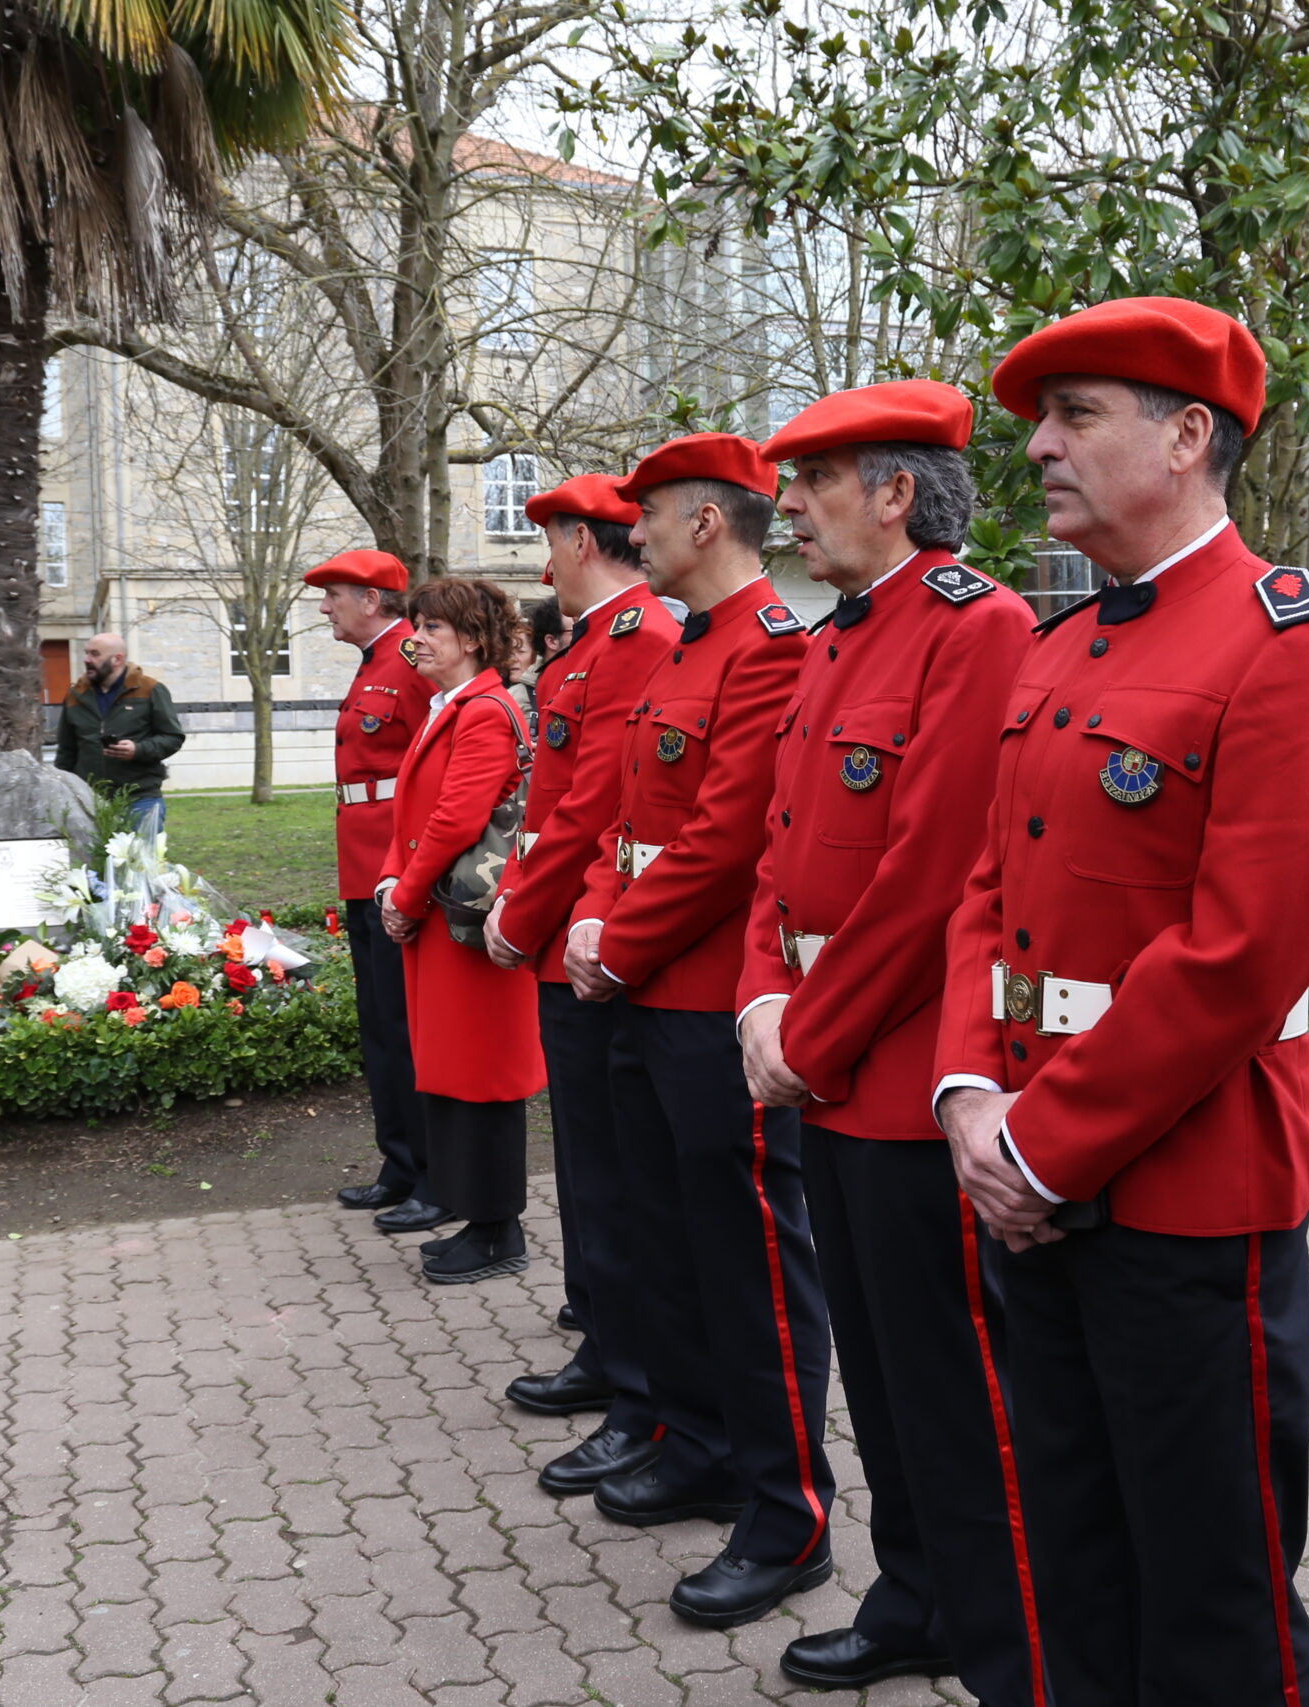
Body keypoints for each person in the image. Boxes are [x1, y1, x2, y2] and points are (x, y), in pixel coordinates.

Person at [932, 298, 1309, 1703]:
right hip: (1024, 1164)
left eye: (1076, 414)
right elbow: (981, 893)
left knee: (1210, 1595)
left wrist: (1036, 1145)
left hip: (1183, 1195)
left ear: (1190, 435)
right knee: (1069, 1552)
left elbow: (1244, 955)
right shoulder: (1057, 649)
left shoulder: (1293, 646)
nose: (1036, 445)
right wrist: (965, 1092)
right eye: (1039, 417)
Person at [739, 381, 1043, 1700]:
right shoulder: (836, 638)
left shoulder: (980, 630)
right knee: (881, 1371)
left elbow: (932, 876)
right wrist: (761, 1000)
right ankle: (917, 1593)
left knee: (957, 1391)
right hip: (823, 1059)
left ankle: (1009, 1641)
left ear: (896, 493)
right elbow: (779, 849)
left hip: (912, 1078)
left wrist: (801, 1035)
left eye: (812, 480)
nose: (788, 506)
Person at [562, 434, 829, 1629]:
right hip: (641, 991)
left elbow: (725, 842)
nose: (640, 535)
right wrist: (591, 919)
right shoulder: (691, 645)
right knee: (667, 1240)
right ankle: (695, 1438)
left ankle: (788, 1513)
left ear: (708, 524)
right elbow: (627, 819)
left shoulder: (769, 648)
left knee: (752, 1264)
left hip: (707, 1000)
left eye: (654, 515)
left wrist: (614, 947)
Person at [481, 474, 677, 1496]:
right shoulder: (592, 641)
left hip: (591, 938)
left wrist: (519, 911)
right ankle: (607, 1349)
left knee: (615, 1179)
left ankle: (635, 1376)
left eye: (549, 539)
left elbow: (596, 805)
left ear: (581, 540)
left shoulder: (639, 639)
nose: (541, 560)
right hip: (567, 934)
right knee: (592, 1173)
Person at [373, 578, 545, 1284]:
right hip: (438, 915)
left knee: (484, 1075)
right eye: (415, 625)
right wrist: (392, 880)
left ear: (472, 638)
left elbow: (456, 818)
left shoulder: (487, 710)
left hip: (463, 919)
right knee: (450, 1067)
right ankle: (474, 1216)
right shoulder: (452, 705)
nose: (418, 637)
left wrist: (405, 894)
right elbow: (410, 814)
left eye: (432, 627)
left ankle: (498, 1229)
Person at [308, 549, 440, 1233]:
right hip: (363, 864)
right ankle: (399, 1163)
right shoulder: (374, 666)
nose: (324, 606)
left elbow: (445, 760)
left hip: (397, 863)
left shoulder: (413, 661)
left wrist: (412, 869)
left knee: (405, 1025)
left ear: (371, 599)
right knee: (381, 1027)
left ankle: (431, 1170)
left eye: (333, 595)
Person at [55, 632, 185, 833]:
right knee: (93, 864)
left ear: (117, 659)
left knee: (141, 863)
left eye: (95, 654)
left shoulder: (151, 690)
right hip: (89, 801)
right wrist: (65, 794)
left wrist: (139, 750)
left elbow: (172, 737)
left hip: (139, 800)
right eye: (86, 653)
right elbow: (66, 751)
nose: (87, 659)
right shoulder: (75, 695)